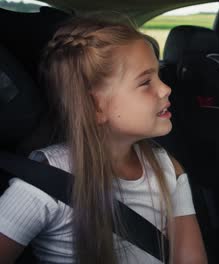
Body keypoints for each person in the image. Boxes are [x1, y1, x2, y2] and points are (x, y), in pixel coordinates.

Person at [0, 15, 207, 264]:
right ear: (95, 106)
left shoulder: (167, 169)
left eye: (159, 76)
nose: (165, 89)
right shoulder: (44, 183)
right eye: (145, 82)